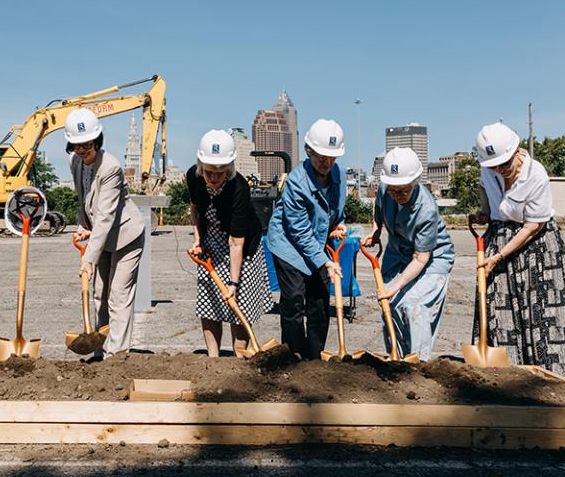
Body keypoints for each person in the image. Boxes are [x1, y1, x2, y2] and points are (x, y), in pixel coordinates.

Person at [472, 123, 565, 378]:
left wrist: (498, 257)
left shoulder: (536, 175)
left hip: (537, 247)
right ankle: (505, 375)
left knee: (540, 310)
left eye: (504, 164)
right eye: (494, 166)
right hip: (499, 238)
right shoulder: (489, 168)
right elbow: (484, 187)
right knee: (497, 304)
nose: (499, 170)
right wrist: (485, 212)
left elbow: (533, 226)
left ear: (516, 151)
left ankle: (549, 376)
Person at [362, 148, 455, 360]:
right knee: (390, 303)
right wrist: (376, 230)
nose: (396, 195)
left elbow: (421, 258)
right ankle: (396, 357)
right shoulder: (387, 188)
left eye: (403, 191)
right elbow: (378, 208)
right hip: (398, 253)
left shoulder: (426, 210)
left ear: (415, 183)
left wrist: (396, 285)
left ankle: (418, 362)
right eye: (393, 191)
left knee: (414, 304)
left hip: (431, 259)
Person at [67, 107, 145, 358]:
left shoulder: (110, 167)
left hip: (126, 236)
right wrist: (82, 224)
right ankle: (100, 349)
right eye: (77, 144)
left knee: (118, 295)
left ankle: (117, 355)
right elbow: (84, 198)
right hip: (100, 236)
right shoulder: (74, 162)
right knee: (100, 293)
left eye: (86, 144)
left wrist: (88, 259)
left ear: (97, 140)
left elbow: (106, 215)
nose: (82, 149)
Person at [266, 119, 347, 359]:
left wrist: (335, 225)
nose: (327, 163)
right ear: (309, 151)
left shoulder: (339, 174)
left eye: (332, 157)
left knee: (320, 302)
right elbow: (298, 229)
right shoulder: (296, 182)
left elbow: (336, 207)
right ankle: (293, 356)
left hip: (317, 243)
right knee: (293, 300)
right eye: (321, 156)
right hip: (288, 244)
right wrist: (324, 261)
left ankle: (315, 357)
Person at [188, 130, 273, 357]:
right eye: (209, 173)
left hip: (244, 248)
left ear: (229, 169)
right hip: (211, 243)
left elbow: (236, 243)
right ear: (200, 166)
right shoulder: (193, 177)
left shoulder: (239, 188)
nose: (214, 179)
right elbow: (195, 210)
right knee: (210, 303)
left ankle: (239, 357)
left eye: (220, 173)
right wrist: (198, 240)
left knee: (239, 305)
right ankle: (213, 359)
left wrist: (234, 284)